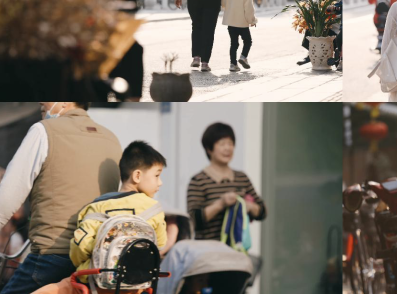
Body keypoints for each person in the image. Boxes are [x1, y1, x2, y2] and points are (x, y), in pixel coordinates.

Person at [0, 103, 122, 294]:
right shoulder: (112, 138)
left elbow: (6, 199)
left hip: (51, 256)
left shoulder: (43, 131)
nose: (41, 102)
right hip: (94, 263)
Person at [32, 141, 168, 294]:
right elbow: (159, 245)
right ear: (137, 176)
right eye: (157, 176)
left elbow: (80, 245)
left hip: (96, 283)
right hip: (135, 285)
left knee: (56, 289)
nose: (160, 182)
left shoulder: (97, 207)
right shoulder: (154, 209)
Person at [187, 123, 266, 282]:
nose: (227, 148)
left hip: (235, 256)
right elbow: (195, 220)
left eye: (230, 144)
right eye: (222, 144)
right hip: (208, 258)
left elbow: (262, 211)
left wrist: (249, 207)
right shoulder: (198, 181)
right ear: (209, 149)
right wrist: (220, 204)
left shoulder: (241, 178)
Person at [107, 0, 144, 101]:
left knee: (135, 50)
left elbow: (133, 10)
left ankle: (133, 100)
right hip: (95, 34)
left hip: (120, 33)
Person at [296, 0, 342, 66]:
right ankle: (311, 54)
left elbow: (337, 14)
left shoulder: (334, 4)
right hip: (331, 36)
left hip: (333, 36)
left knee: (317, 29)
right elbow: (301, 8)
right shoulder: (317, 2)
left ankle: (335, 56)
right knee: (312, 29)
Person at [222, 0, 258, 72]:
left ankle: (233, 64)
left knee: (234, 44)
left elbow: (223, 4)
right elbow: (249, 11)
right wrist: (252, 21)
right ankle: (243, 57)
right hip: (242, 24)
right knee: (248, 41)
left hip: (231, 24)